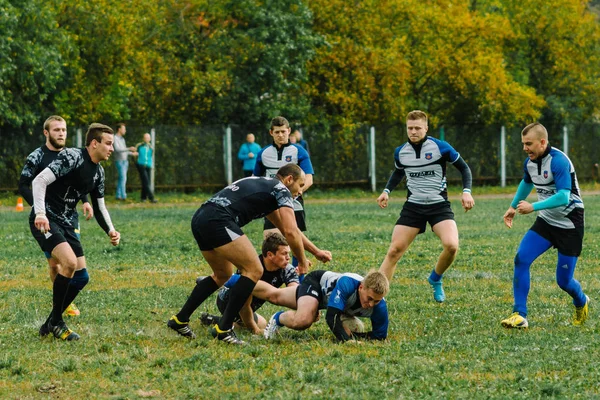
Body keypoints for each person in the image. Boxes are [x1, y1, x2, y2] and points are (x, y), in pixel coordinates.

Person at [167, 164, 332, 345]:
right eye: (300, 185)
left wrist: (315, 252)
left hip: (201, 217)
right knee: (254, 269)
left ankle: (180, 320)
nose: (300, 192)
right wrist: (301, 261)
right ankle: (223, 329)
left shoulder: (267, 188)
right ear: (289, 180)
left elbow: (287, 229)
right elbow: (291, 231)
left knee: (222, 275)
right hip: (218, 218)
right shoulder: (281, 190)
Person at [32, 123, 121, 340]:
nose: (112, 149)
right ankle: (58, 323)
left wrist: (110, 229)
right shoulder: (72, 157)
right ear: (94, 143)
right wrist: (40, 214)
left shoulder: (98, 172)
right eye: (108, 144)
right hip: (47, 219)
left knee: (82, 277)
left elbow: (100, 206)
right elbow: (39, 180)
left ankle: (51, 322)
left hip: (67, 222)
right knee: (69, 264)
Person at [377, 110, 475, 302]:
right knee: (394, 250)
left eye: (417, 128)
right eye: (410, 128)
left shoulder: (441, 147)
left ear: (426, 128)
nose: (413, 132)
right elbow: (398, 172)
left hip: (439, 205)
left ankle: (435, 278)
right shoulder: (401, 152)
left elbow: (464, 168)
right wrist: (386, 191)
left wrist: (467, 191)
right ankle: (376, 297)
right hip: (413, 207)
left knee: (452, 246)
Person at [501, 122, 589, 329]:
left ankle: (581, 301)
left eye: (529, 143)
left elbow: (563, 197)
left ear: (542, 142)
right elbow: (527, 182)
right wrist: (513, 207)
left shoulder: (558, 161)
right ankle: (519, 314)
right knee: (521, 259)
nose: (525, 148)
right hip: (547, 222)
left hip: (570, 225)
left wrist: (533, 206)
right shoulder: (530, 162)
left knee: (564, 281)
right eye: (523, 143)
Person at [19, 115, 93, 318]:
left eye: (63, 130)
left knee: (73, 263)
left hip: (69, 217)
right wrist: (39, 207)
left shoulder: (72, 155)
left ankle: (63, 303)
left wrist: (86, 201)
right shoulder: (36, 157)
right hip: (46, 217)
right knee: (55, 263)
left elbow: (79, 181)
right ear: (46, 133)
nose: (61, 133)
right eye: (56, 130)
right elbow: (23, 184)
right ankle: (61, 305)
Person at [199, 232, 300, 335]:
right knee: (250, 326)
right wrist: (254, 330)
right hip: (229, 301)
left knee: (263, 324)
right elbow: (243, 303)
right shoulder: (251, 267)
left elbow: (294, 292)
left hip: (250, 306)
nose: (288, 257)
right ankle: (226, 321)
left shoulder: (287, 269)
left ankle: (216, 320)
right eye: (284, 253)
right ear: (270, 255)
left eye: (288, 253)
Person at [254, 117, 314, 270]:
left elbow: (309, 178)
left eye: (283, 131)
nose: (281, 135)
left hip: (294, 202)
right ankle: (270, 278)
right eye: (277, 132)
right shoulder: (263, 154)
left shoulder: (299, 151)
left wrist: (297, 191)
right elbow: (256, 179)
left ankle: (297, 279)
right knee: (270, 242)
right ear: (271, 133)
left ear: (289, 131)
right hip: (271, 205)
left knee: (295, 241)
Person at [263, 270, 389, 342]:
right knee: (302, 319)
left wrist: (354, 336)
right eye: (370, 299)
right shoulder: (348, 284)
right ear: (361, 287)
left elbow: (380, 336)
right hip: (317, 285)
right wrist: (348, 340)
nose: (371, 304)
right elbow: (331, 317)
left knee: (357, 328)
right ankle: (278, 317)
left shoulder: (380, 307)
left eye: (376, 301)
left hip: (337, 305)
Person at [113, 122, 137, 200]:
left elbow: (124, 151)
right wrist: (129, 148)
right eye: (124, 129)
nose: (125, 130)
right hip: (119, 161)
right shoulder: (115, 138)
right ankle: (124, 196)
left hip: (125, 161)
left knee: (122, 178)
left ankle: (118, 195)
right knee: (123, 178)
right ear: (119, 129)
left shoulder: (122, 139)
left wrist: (131, 153)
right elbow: (117, 149)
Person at [135, 133, 157, 203]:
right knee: (146, 181)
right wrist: (137, 163)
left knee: (146, 182)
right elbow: (135, 155)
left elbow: (151, 156)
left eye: (148, 138)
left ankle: (143, 197)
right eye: (145, 137)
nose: (146, 139)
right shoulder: (139, 146)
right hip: (141, 165)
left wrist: (150, 165)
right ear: (143, 138)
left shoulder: (151, 147)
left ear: (150, 139)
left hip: (148, 166)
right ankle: (151, 198)